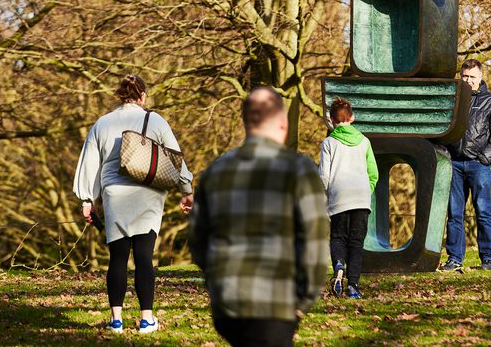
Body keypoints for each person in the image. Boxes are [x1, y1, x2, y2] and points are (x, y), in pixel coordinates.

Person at [189, 87, 330, 347]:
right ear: (283, 123)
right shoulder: (299, 170)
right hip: (275, 303)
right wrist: (303, 300)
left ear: (246, 122)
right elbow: (315, 242)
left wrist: (218, 283)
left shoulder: (216, 171)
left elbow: (197, 241)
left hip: (227, 304)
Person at [72, 75, 195, 334]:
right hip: (148, 193)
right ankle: (147, 319)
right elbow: (175, 157)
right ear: (142, 96)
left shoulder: (102, 124)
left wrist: (87, 199)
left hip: (115, 195)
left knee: (117, 258)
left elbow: (89, 164)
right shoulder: (156, 120)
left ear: (121, 95)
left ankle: (116, 320)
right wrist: (187, 189)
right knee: (143, 257)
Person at [440, 59, 491, 272]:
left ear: (480, 78)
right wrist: (445, 155)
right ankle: (454, 258)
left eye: (472, 77)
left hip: (479, 166)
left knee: (483, 212)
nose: (468, 81)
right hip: (455, 164)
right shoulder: (452, 100)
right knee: (454, 214)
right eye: (465, 77)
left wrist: (484, 158)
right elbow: (442, 129)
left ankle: (488, 259)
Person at [318, 97, 378, 299]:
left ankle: (338, 265)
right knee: (356, 242)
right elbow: (374, 173)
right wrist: (365, 191)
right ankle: (353, 286)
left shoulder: (329, 143)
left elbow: (324, 175)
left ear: (332, 121)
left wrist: (325, 196)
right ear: (352, 117)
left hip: (339, 196)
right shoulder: (365, 142)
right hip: (360, 197)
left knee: (338, 237)